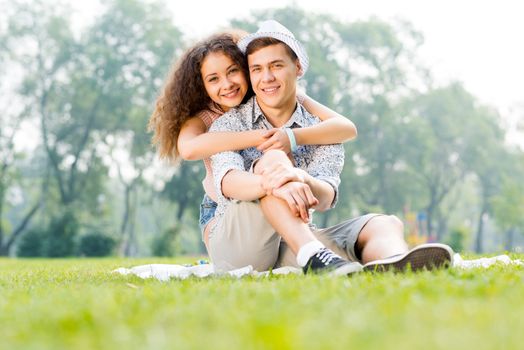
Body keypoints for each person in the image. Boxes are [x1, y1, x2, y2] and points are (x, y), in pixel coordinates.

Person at [208, 20, 453, 274]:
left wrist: (300, 177)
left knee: (383, 223)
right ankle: (313, 254)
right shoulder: (230, 124)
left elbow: (325, 197)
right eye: (257, 69)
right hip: (238, 247)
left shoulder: (322, 130)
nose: (267, 77)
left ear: (298, 67)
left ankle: (395, 262)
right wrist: (273, 180)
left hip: (293, 241)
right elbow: (228, 181)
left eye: (276, 66)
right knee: (273, 162)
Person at [148, 31, 358, 256]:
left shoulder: (267, 97)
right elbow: (188, 149)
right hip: (221, 208)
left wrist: (292, 137)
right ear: (203, 86)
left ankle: (312, 251)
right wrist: (263, 136)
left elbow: (346, 128)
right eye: (214, 79)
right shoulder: (206, 117)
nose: (227, 84)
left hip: (270, 194)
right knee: (273, 169)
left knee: (276, 175)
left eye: (232, 72)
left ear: (246, 70)